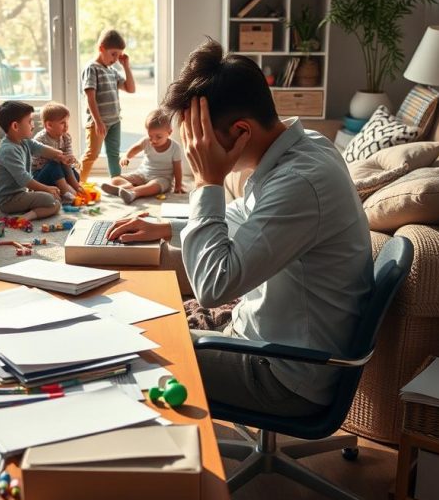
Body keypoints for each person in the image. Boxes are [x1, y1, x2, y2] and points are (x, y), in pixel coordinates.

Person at [107, 38, 373, 417]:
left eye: (200, 139)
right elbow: (242, 219)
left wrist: (206, 182)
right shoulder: (306, 146)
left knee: (127, 348)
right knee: (146, 311)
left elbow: (214, 286)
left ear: (241, 132)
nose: (195, 149)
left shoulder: (300, 182)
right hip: (265, 342)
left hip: (283, 374)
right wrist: (167, 226)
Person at [0, 100, 75, 220]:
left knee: (55, 202)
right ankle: (25, 218)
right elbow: (24, 179)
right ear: (15, 126)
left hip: (21, 193)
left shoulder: (23, 140)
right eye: (30, 122)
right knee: (52, 200)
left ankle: (29, 211)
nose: (33, 125)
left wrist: (59, 155)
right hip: (8, 200)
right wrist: (46, 188)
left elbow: (39, 148)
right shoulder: (8, 150)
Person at [79, 28, 135, 182]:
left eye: (119, 55)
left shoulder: (111, 71)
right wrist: (98, 121)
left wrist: (126, 67)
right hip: (98, 122)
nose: (116, 59)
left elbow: (131, 89)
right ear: (101, 48)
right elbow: (90, 97)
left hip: (115, 121)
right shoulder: (92, 68)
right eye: (113, 54)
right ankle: (78, 183)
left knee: (113, 153)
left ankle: (116, 181)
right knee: (92, 154)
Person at [101, 108, 185, 204]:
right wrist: (126, 157)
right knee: (115, 179)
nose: (154, 140)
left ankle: (134, 193)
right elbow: (135, 148)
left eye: (158, 137)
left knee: (154, 187)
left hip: (161, 178)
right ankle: (127, 187)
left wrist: (178, 185)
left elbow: (177, 168)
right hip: (142, 174)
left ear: (169, 132)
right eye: (150, 136)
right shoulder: (146, 142)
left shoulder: (175, 148)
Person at [31, 102, 81, 204]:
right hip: (41, 175)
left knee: (75, 174)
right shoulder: (40, 140)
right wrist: (63, 159)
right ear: (49, 125)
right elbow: (51, 160)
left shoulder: (66, 137)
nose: (66, 126)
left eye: (67, 122)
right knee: (54, 165)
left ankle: (70, 188)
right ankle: (65, 191)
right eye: (62, 123)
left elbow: (68, 156)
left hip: (58, 174)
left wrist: (70, 158)